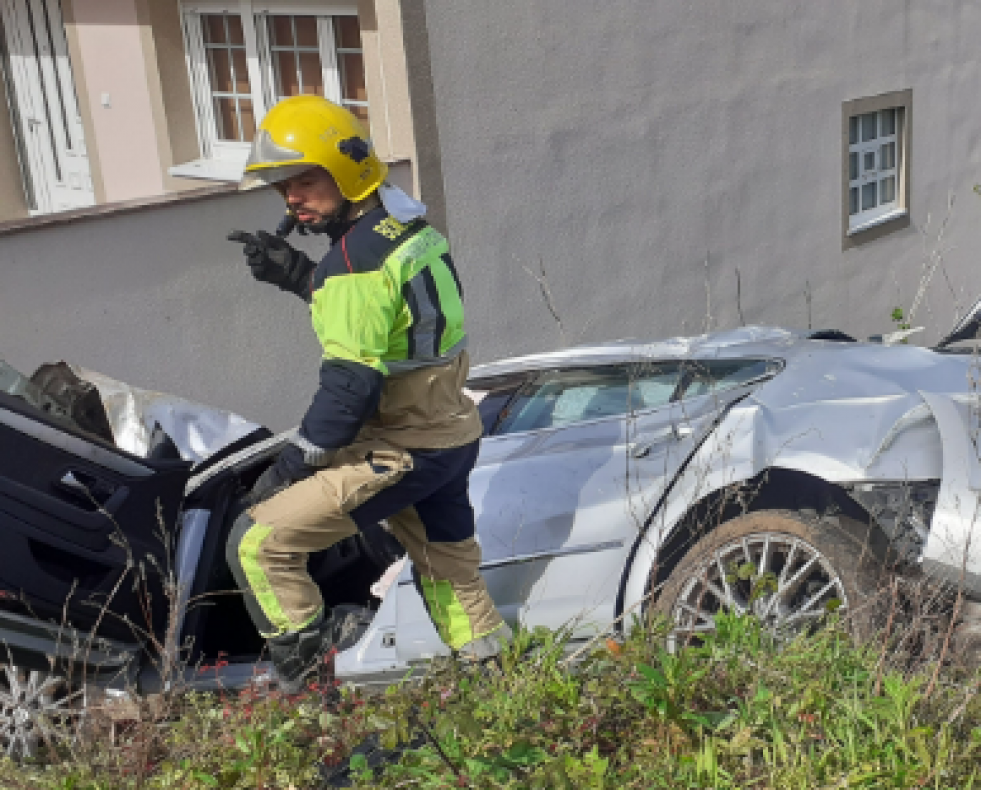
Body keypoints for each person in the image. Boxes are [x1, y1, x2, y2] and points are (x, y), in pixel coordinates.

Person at [226, 95, 510, 693]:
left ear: (347, 170)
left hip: (403, 447)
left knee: (256, 544)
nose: (291, 199)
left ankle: (316, 705)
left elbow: (349, 387)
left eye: (303, 181)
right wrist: (302, 277)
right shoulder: (405, 225)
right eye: (281, 190)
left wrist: (289, 468)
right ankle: (503, 699)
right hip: (450, 433)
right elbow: (392, 323)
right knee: (453, 576)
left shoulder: (352, 264)